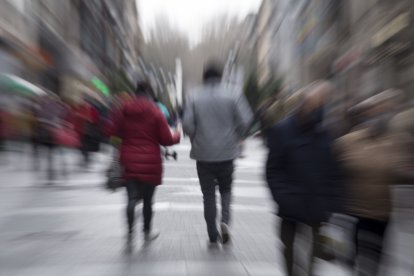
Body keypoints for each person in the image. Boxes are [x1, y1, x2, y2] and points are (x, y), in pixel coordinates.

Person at [266, 81, 344, 275]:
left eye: (321, 103)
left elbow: (333, 170)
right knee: (289, 252)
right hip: (289, 206)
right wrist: (282, 197)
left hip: (316, 207)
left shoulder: (325, 133)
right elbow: (272, 170)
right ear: (302, 103)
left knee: (313, 256)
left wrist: (332, 204)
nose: (317, 107)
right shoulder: (282, 130)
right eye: (313, 102)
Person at [183, 63, 253, 246]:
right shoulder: (234, 94)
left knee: (208, 194)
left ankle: (212, 233)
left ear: (203, 77)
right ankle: (225, 222)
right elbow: (246, 119)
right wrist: (236, 135)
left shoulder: (193, 95)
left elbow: (187, 124)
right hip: (227, 152)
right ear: (221, 77)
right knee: (226, 190)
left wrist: (195, 138)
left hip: (203, 153)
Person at [336, 91, 401, 276]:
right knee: (352, 256)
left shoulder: (395, 143)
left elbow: (402, 172)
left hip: (382, 212)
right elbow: (333, 171)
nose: (380, 116)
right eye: (375, 112)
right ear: (365, 115)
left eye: (385, 111)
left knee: (376, 258)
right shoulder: (348, 142)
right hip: (354, 210)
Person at [108, 81, 180, 244]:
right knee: (148, 200)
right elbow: (166, 139)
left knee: (131, 198)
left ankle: (130, 231)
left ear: (135, 93)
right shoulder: (155, 112)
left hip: (128, 159)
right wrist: (177, 135)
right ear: (149, 94)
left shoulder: (124, 110)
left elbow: (114, 132)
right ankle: (147, 231)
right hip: (151, 161)